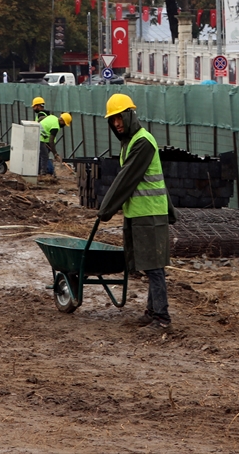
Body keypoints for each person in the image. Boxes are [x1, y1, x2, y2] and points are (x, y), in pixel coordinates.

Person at [96, 93, 175, 331]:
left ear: (130, 115)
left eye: (120, 118)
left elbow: (127, 179)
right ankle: (152, 312)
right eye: (113, 120)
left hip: (148, 214)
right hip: (138, 213)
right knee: (148, 264)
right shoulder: (129, 143)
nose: (117, 123)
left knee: (154, 266)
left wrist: (106, 209)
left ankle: (162, 318)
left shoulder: (142, 142)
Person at [38, 111, 72, 180]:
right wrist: (55, 154)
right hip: (40, 139)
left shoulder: (53, 117)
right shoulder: (55, 127)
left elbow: (41, 118)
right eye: (64, 124)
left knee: (41, 155)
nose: (64, 125)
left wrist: (37, 124)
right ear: (62, 120)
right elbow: (51, 141)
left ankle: (38, 171)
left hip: (39, 135)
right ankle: (43, 174)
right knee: (44, 156)